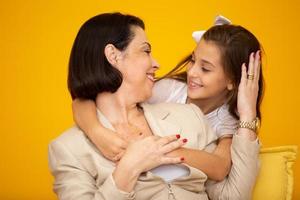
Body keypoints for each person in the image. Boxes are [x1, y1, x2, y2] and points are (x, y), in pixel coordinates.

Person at [48, 12, 260, 200]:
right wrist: (127, 165)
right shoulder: (69, 149)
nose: (157, 63)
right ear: (113, 56)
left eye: (205, 68)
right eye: (146, 50)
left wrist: (248, 112)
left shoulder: (191, 117)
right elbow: (84, 100)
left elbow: (229, 188)